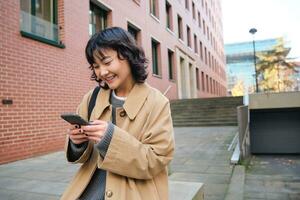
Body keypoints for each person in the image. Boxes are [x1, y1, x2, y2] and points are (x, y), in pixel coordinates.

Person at [61, 27, 175, 200]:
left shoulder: (157, 102)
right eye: (96, 66)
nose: (102, 72)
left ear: (128, 55)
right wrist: (77, 143)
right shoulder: (91, 98)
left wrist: (110, 139)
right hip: (89, 191)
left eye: (107, 62)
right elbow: (80, 156)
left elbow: (157, 159)